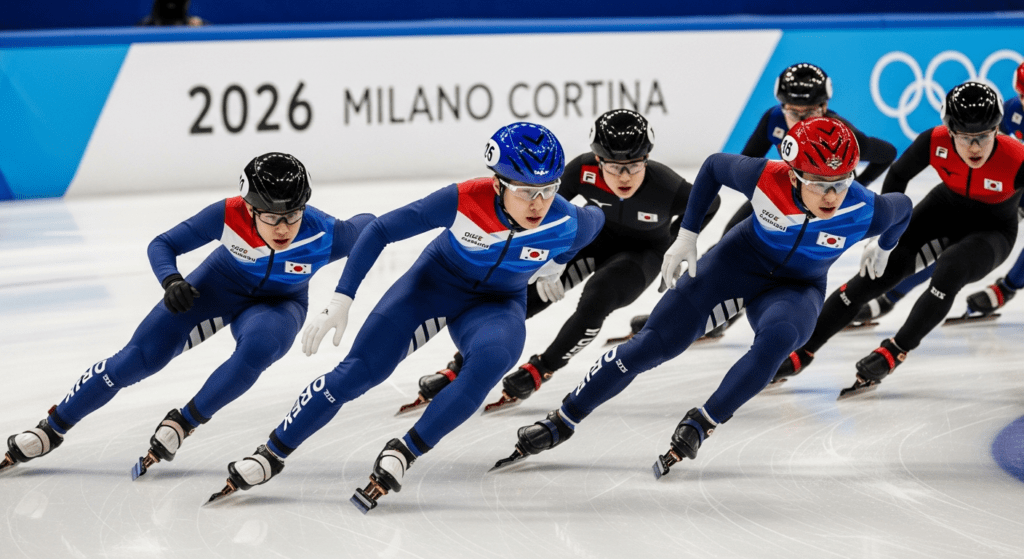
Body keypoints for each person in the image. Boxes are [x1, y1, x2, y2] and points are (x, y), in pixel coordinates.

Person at [210, 123, 604, 512]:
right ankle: (271, 453)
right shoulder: (465, 199)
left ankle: (404, 451)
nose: (538, 203)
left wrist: (557, 264)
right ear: (498, 183)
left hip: (496, 305)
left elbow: (595, 221)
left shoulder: (567, 220)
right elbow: (380, 230)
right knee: (358, 373)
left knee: (492, 360)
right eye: (525, 192)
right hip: (431, 287)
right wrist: (342, 298)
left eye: (547, 190)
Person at [491, 117, 911, 477]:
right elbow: (712, 168)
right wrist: (686, 237)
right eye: (819, 184)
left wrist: (885, 246)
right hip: (735, 263)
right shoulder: (766, 177)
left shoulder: (866, 210)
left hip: (796, 288)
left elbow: (903, 207)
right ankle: (564, 418)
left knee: (780, 340)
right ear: (795, 174)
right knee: (651, 346)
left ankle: (703, 421)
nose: (832, 196)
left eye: (840, 183)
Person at [1, 153, 374, 477]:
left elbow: (373, 226)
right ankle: (52, 427)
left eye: (292, 215)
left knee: (259, 350)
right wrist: (171, 280)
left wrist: (343, 298)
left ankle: (185, 421)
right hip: (213, 288)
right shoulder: (227, 215)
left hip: (278, 305)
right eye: (271, 216)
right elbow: (162, 244)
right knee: (139, 358)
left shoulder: (326, 233)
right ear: (249, 208)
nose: (283, 228)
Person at [401, 109, 721, 415]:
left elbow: (711, 202)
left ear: (647, 160)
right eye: (612, 166)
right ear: (597, 160)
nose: (623, 176)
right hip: (592, 240)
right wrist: (546, 258)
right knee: (529, 293)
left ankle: (543, 367)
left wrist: (680, 241)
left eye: (634, 166)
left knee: (599, 295)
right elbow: (547, 208)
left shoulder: (666, 185)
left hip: (643, 254)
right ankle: (462, 364)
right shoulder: (582, 170)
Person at [774, 82, 1024, 395]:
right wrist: (885, 235)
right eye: (965, 137)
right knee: (873, 276)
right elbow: (898, 176)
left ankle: (895, 350)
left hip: (992, 232)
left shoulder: (1018, 158)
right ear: (949, 131)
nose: (974, 147)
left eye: (984, 136)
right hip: (941, 211)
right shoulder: (933, 141)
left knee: (950, 269)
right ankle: (805, 349)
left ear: (998, 130)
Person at [627, 62, 897, 339]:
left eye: (811, 112)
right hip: (779, 198)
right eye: (793, 111)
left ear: (825, 105)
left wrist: (851, 189)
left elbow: (887, 153)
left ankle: (747, 316)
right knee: (725, 247)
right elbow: (745, 159)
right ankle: (687, 314)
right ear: (782, 106)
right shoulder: (774, 119)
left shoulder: (839, 137)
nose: (801, 119)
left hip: (817, 210)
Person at [854, 61, 1024, 325]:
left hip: (1014, 190)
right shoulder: (1012, 110)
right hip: (1000, 184)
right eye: (1023, 96)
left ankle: (1008, 288)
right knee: (944, 246)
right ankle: (892, 295)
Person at [137, 0, 208, 26]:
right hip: (159, 23)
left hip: (181, 25)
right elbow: (155, 16)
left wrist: (189, 21)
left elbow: (183, 16)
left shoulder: (183, 2)